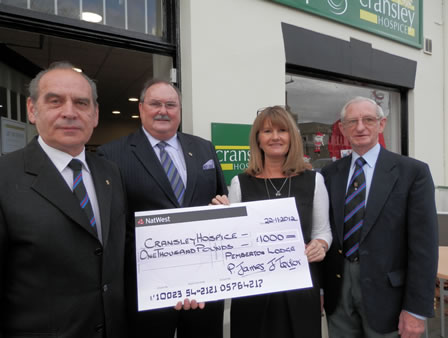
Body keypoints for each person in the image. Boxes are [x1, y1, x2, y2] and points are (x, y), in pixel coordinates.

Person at [0, 62, 127, 337]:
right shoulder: (4, 178)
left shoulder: (110, 173)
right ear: (32, 110)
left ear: (95, 115)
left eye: (81, 103)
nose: (69, 112)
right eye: (55, 101)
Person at [97, 79, 227, 338]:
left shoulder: (204, 149)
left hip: (203, 284)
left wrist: (223, 209)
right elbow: (111, 225)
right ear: (142, 107)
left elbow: (218, 197)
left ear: (179, 110)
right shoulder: (110, 155)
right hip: (146, 287)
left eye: (171, 104)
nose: (163, 111)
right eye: (155, 104)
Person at [321, 96, 439, 338]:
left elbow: (424, 247)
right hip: (339, 294)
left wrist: (416, 310)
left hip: (389, 299)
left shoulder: (413, 173)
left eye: (368, 120)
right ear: (342, 128)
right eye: (352, 121)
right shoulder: (329, 173)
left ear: (381, 124)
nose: (360, 127)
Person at [212, 105, 332, 338]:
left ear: (292, 137)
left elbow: (323, 230)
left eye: (282, 130)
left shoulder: (314, 180)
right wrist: (221, 217)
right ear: (258, 139)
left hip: (300, 289)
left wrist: (321, 245)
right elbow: (233, 240)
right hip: (253, 291)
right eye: (267, 131)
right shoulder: (240, 183)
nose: (275, 137)